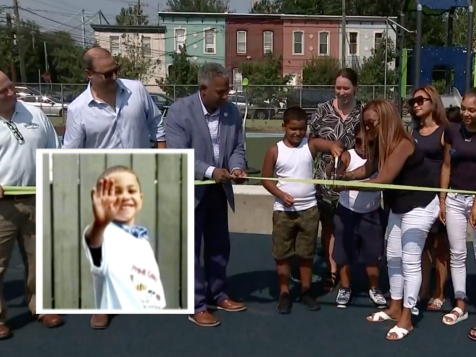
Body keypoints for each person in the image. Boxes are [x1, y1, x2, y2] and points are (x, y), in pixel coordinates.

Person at [340, 99, 439, 341]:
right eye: (365, 124)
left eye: (371, 123)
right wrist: (347, 176)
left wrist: (347, 185)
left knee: (410, 259)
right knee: (393, 256)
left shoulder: (403, 143)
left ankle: (407, 317)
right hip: (398, 205)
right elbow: (368, 169)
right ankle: (395, 307)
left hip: (421, 204)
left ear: (385, 119)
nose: (368, 128)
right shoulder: (378, 143)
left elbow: (382, 179)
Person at [165, 62, 248, 327]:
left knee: (219, 246)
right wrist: (211, 171)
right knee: (192, 249)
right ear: (203, 89)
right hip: (191, 190)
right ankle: (196, 304)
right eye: (221, 92)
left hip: (218, 191)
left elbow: (237, 147)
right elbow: (178, 155)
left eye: (227, 91)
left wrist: (236, 167)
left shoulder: (231, 112)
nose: (226, 96)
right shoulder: (179, 112)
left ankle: (219, 293)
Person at [261, 106, 342, 314]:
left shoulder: (311, 145)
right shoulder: (274, 150)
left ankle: (306, 291)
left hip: (309, 210)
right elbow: (265, 180)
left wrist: (334, 147)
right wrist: (281, 195)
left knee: (306, 254)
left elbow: (329, 143)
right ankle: (285, 292)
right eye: (293, 129)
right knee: (282, 254)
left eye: (302, 129)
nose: (298, 133)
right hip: (283, 212)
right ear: (284, 127)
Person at [0, 71, 62, 340]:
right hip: (2, 206)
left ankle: (41, 306)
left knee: (40, 260)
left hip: (36, 198)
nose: (10, 93)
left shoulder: (35, 114)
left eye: (10, 87)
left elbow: (55, 149)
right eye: (2, 91)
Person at [306, 68, 363, 291]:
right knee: (329, 225)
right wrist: (329, 146)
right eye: (338, 87)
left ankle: (349, 272)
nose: (342, 92)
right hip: (325, 177)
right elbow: (311, 141)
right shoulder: (323, 110)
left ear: (355, 88)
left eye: (346, 88)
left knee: (351, 227)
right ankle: (331, 273)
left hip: (354, 177)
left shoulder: (363, 112)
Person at [82, 165, 166, 311]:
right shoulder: (105, 234)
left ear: (141, 198)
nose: (125, 196)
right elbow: (93, 243)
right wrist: (99, 224)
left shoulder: (142, 240)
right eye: (116, 192)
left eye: (131, 191)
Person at [63, 47, 166, 149]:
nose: (114, 77)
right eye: (107, 74)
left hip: (140, 165)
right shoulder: (77, 109)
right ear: (89, 74)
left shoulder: (137, 90)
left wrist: (162, 161)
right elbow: (71, 153)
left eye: (115, 70)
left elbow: (157, 124)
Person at [331, 124, 387, 309]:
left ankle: (374, 288)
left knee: (373, 254)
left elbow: (377, 185)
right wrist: (336, 164)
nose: (363, 145)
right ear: (353, 139)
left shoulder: (380, 158)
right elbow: (336, 175)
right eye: (359, 141)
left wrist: (348, 184)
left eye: (369, 142)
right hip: (347, 213)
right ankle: (345, 287)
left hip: (372, 214)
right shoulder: (348, 155)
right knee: (343, 254)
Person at [439, 89, 476, 335]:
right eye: (464, 108)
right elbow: (446, 165)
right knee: (457, 253)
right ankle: (460, 305)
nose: (466, 113)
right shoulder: (452, 131)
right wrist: (442, 198)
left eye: (472, 110)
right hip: (453, 197)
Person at [409, 85, 449, 311]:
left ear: (432, 102)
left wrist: (443, 198)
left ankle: (440, 291)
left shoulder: (445, 131)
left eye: (420, 100)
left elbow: (448, 165)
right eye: (412, 102)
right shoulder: (412, 132)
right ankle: (423, 288)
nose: (415, 105)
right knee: (422, 245)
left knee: (440, 246)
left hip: (439, 196)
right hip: (417, 196)